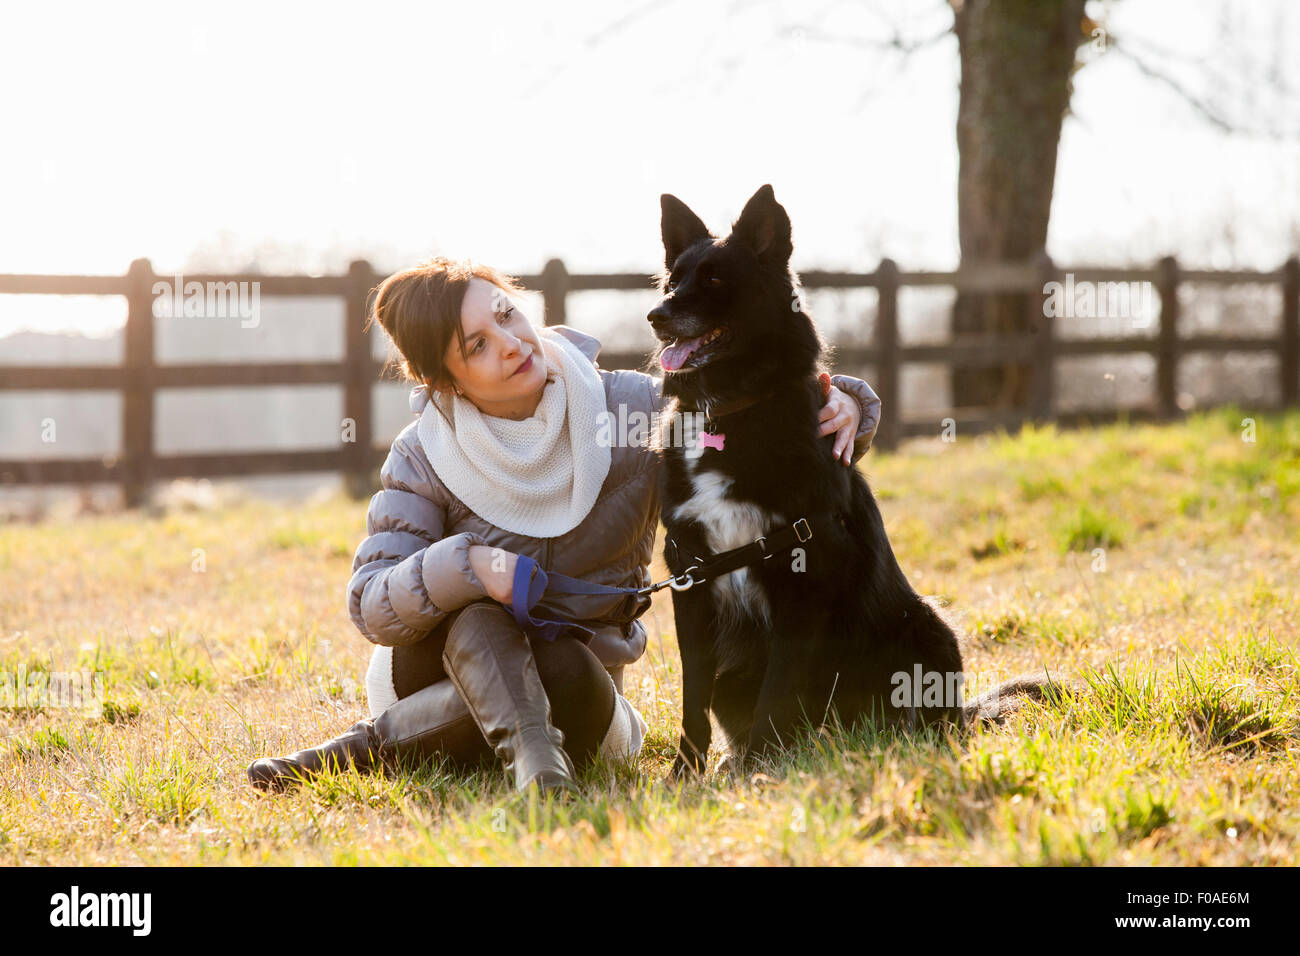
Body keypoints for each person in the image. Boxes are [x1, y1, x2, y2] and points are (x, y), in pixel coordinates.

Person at [247, 256, 882, 795]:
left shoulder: (632, 409)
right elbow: (372, 606)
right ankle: (510, 767)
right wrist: (467, 567)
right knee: (477, 612)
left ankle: (526, 757)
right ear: (447, 382)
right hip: (432, 676)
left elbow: (752, 397)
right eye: (477, 346)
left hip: (577, 686)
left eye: (504, 314)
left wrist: (848, 399)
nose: (512, 343)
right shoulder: (424, 454)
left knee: (561, 662)